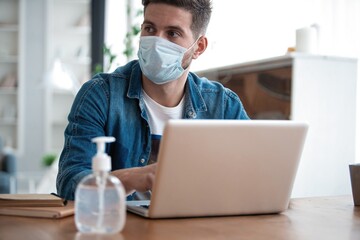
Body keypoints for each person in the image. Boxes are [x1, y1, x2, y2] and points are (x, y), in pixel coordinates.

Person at [56, 0, 249, 201]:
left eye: (172, 33)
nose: (157, 42)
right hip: (122, 228)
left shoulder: (224, 105)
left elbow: (252, 177)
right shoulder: (100, 95)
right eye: (150, 28)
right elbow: (69, 183)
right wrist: (131, 178)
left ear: (198, 47)